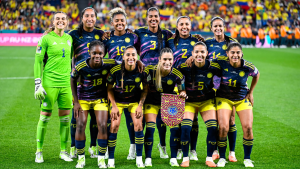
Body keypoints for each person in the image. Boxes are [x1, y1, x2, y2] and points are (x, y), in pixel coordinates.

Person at [211, 42, 260, 167]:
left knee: (248, 128)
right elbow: (205, 63)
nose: (235, 55)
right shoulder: (220, 62)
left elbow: (257, 74)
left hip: (242, 99)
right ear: (227, 53)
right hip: (224, 98)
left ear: (241, 53)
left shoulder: (247, 66)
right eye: (232, 52)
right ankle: (222, 158)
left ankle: (247, 159)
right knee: (223, 127)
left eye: (238, 52)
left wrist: (252, 92)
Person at [134, 7, 173, 159]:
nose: (153, 19)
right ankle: (135, 147)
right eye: (150, 16)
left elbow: (178, 39)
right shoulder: (139, 33)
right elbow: (132, 46)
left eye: (155, 16)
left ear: (159, 18)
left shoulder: (165, 34)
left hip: (161, 77)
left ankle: (162, 145)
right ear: (146, 18)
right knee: (142, 114)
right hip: (143, 77)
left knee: (162, 116)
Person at [34, 11, 73, 163]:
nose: (61, 21)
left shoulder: (69, 38)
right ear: (53, 21)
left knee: (65, 119)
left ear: (67, 22)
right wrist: (38, 84)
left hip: (65, 84)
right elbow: (37, 62)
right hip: (49, 83)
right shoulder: (45, 38)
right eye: (58, 19)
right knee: (44, 117)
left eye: (63, 19)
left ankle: (63, 151)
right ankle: (39, 151)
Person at [71, 41, 117, 168]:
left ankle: (101, 159)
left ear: (104, 54)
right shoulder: (80, 66)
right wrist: (75, 101)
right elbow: (72, 79)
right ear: (89, 53)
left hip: (99, 98)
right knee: (80, 125)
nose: (97, 56)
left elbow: (123, 63)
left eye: (100, 53)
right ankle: (80, 159)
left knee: (102, 125)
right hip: (83, 98)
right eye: (94, 53)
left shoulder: (109, 63)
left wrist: (139, 62)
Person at [102, 8, 140, 160]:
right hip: (113, 82)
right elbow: (100, 55)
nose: (119, 23)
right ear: (112, 23)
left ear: (126, 22)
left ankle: (133, 148)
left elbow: (138, 54)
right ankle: (104, 149)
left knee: (131, 119)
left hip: (131, 82)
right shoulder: (107, 38)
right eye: (116, 20)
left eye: (122, 20)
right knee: (110, 118)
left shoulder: (133, 37)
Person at [68, 7, 105, 158]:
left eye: (92, 16)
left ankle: (93, 146)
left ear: (96, 18)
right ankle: (73, 147)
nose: (90, 18)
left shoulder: (101, 34)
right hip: (79, 81)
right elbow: (66, 49)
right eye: (87, 16)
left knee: (95, 118)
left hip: (96, 81)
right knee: (76, 117)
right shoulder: (73, 35)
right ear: (82, 18)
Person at [143, 48, 187, 167]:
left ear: (173, 60)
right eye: (165, 59)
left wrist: (182, 93)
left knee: (175, 129)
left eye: (170, 59)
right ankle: (148, 158)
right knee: (150, 129)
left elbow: (182, 89)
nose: (167, 62)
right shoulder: (149, 71)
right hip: (151, 103)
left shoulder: (177, 74)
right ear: (159, 60)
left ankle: (173, 158)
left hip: (168, 103)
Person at [177, 42, 218, 167]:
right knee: (185, 128)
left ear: (207, 53)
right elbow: (178, 78)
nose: (199, 54)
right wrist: (182, 90)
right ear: (192, 54)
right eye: (196, 52)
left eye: (202, 52)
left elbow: (226, 73)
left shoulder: (213, 66)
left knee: (212, 128)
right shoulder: (185, 66)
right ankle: (185, 158)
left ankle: (209, 158)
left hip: (206, 102)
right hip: (189, 102)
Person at [106, 46, 148, 168]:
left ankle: (139, 158)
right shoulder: (115, 70)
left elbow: (145, 89)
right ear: (123, 57)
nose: (131, 57)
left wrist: (140, 105)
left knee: (139, 125)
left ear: (137, 57)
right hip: (118, 102)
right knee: (114, 126)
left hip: (135, 101)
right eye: (128, 55)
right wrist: (113, 106)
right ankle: (111, 159)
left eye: (133, 55)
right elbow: (109, 88)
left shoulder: (142, 70)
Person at [204, 17, 239, 162]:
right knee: (218, 120)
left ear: (224, 27)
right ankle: (216, 150)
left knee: (231, 120)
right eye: (215, 26)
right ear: (211, 28)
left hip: (229, 87)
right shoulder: (207, 44)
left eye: (220, 26)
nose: (218, 28)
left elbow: (239, 64)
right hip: (211, 86)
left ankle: (232, 152)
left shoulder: (232, 43)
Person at [166, 16, 200, 161]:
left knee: (193, 118)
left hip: (192, 83)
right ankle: (179, 148)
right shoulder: (170, 42)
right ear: (177, 26)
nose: (184, 26)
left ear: (190, 26)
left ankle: (192, 149)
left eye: (187, 24)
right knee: (176, 118)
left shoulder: (197, 42)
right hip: (175, 83)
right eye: (181, 24)